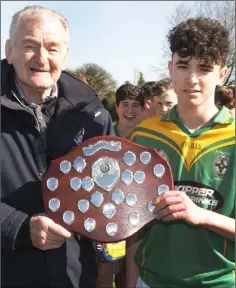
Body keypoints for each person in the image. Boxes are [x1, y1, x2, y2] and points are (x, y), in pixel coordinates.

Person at [1, 6, 114, 288]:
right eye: (30, 46)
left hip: (74, 276)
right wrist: (19, 227)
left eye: (52, 48)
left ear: (65, 55)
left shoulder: (94, 116)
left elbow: (110, 190)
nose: (41, 58)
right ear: (10, 50)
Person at [127, 17, 235, 288]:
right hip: (150, 280)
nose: (192, 79)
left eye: (205, 68)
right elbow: (132, 228)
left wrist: (202, 215)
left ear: (221, 73)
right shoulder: (143, 136)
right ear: (170, 68)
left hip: (218, 283)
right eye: (184, 66)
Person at [96, 83, 144, 288]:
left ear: (143, 108)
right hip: (108, 212)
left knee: (133, 267)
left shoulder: (148, 138)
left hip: (139, 212)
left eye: (135, 105)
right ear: (116, 108)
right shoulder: (104, 136)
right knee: (105, 268)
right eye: (125, 104)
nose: (130, 110)